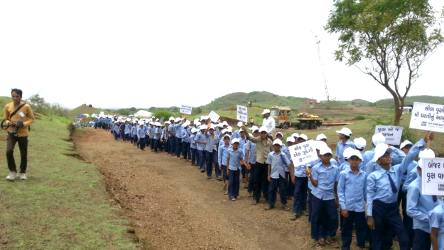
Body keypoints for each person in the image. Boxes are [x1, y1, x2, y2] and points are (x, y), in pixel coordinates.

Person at [366, 132, 432, 250]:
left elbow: (409, 156)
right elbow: (370, 196)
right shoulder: (373, 176)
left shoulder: (397, 170)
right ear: (378, 161)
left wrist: (423, 141)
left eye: (389, 154)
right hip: (378, 207)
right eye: (385, 155)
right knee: (377, 235)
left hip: (392, 207)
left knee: (403, 236)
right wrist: (369, 215)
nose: (388, 156)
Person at [306, 146, 340, 248]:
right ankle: (316, 239)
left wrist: (336, 198)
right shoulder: (316, 168)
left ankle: (331, 236)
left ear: (331, 156)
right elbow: (315, 184)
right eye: (324, 155)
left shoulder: (335, 168)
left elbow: (335, 184)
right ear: (321, 156)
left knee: (333, 217)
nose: (326, 157)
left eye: (328, 155)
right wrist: (310, 175)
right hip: (318, 195)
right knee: (316, 217)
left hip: (329, 196)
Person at [407, 148, 438, 250]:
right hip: (423, 228)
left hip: (438, 226)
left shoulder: (438, 181)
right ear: (419, 169)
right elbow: (410, 210)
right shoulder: (415, 186)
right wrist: (429, 219)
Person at [338, 150, 367, 250]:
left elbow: (365, 191)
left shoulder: (363, 175)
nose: (354, 161)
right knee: (347, 228)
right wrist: (343, 207)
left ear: (360, 161)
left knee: (361, 227)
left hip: (359, 207)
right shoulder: (344, 174)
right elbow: (340, 191)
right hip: (348, 206)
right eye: (352, 159)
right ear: (348, 160)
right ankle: (345, 246)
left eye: (357, 159)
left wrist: (368, 205)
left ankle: (361, 245)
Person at [4, 89, 35, 181]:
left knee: (23, 153)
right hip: (11, 132)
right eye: (13, 96)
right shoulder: (8, 106)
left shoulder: (26, 107)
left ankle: (22, 172)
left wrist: (23, 124)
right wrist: (8, 123)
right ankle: (12, 171)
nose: (15, 98)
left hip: (23, 134)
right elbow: (5, 118)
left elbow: (32, 118)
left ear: (21, 97)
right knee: (9, 151)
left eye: (17, 96)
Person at [243, 125, 273, 205]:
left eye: (264, 133)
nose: (263, 134)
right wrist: (245, 130)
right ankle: (256, 197)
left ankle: (266, 196)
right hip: (259, 163)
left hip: (267, 163)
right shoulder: (258, 140)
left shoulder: (270, 142)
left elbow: (272, 151)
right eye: (262, 133)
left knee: (267, 180)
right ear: (260, 133)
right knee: (257, 180)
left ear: (266, 133)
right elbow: (249, 137)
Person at [265, 139, 293, 211]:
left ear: (280, 146)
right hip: (273, 174)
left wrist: (292, 175)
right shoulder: (271, 154)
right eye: (275, 145)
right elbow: (269, 164)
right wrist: (268, 174)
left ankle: (284, 204)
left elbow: (288, 164)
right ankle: (271, 203)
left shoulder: (283, 155)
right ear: (273, 146)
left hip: (281, 174)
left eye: (278, 145)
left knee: (282, 189)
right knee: (272, 189)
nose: (277, 147)